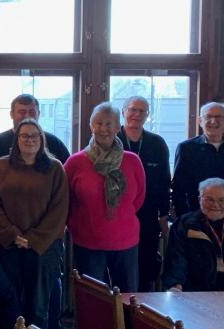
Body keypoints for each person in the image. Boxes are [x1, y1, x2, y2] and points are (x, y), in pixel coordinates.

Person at [0, 119, 68, 329]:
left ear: (42, 139)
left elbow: (59, 210)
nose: (29, 140)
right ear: (17, 139)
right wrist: (12, 234)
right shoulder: (2, 165)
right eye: (24, 136)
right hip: (8, 244)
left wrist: (32, 239)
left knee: (39, 306)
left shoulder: (55, 168)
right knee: (9, 301)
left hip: (44, 247)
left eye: (34, 136)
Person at [64, 103, 146, 292]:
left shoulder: (132, 161)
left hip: (125, 241)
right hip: (87, 241)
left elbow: (138, 199)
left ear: (118, 127)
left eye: (109, 124)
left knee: (127, 298)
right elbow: (65, 200)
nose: (104, 129)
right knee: (92, 299)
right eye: (98, 123)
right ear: (91, 126)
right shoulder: (75, 162)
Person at [115, 96, 171, 292]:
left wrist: (164, 215)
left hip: (148, 217)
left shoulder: (157, 143)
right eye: (132, 110)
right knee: (117, 270)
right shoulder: (111, 141)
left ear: (148, 115)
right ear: (123, 112)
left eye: (142, 111)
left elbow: (165, 181)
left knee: (146, 267)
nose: (136, 115)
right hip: (116, 216)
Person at [0, 94, 71, 163]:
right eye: (22, 112)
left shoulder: (54, 143)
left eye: (32, 112)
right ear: (11, 114)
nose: (27, 116)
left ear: (38, 114)